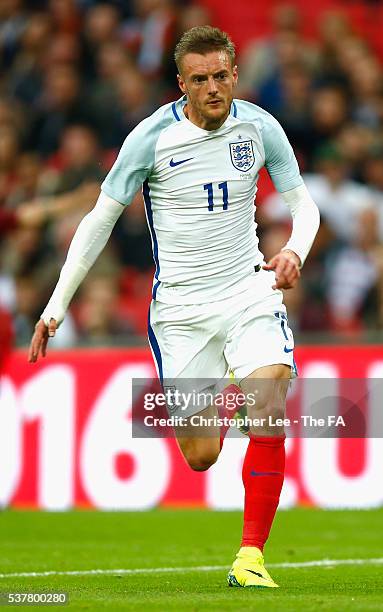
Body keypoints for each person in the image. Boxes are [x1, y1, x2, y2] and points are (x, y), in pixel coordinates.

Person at [28, 26, 320, 589]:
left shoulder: (261, 128)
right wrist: (55, 306)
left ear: (235, 72)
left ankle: (250, 557)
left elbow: (302, 205)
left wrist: (293, 251)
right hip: (181, 314)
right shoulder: (150, 139)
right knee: (201, 455)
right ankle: (233, 397)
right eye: (200, 79)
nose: (213, 88)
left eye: (221, 76)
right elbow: (98, 222)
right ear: (180, 83)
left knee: (270, 400)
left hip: (248, 290)